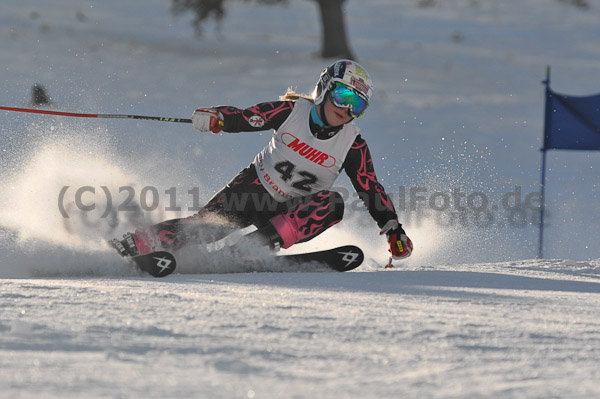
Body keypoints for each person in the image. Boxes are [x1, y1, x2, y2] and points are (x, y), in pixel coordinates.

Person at [110, 59, 413, 263]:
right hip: (252, 190)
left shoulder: (352, 143)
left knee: (333, 204)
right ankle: (129, 246)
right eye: (344, 95)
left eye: (357, 104)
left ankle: (254, 247)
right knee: (202, 229)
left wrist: (393, 229)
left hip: (291, 214)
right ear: (325, 88)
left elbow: (369, 187)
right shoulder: (291, 111)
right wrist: (216, 117)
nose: (347, 108)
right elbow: (245, 118)